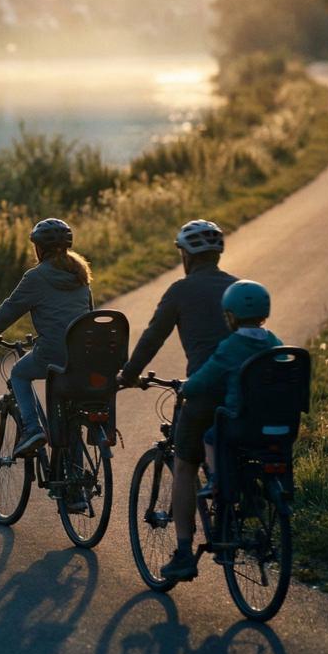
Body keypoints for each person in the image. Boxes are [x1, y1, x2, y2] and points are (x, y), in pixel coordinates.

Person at [116, 219, 236, 581]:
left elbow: (153, 337)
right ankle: (238, 515)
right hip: (242, 391)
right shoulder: (238, 287)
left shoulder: (180, 291)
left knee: (184, 464)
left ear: (186, 255)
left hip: (203, 391)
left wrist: (128, 374)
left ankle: (184, 553)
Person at [0, 218, 94, 458]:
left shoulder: (36, 277)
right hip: (82, 355)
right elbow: (87, 316)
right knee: (71, 415)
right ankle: (77, 487)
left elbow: (9, 310)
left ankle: (33, 428)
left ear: (38, 248)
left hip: (53, 353)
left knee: (19, 373)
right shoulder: (80, 275)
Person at [183, 279, 282, 500]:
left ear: (231, 316)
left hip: (242, 424)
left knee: (211, 437)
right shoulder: (275, 342)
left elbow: (203, 380)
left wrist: (186, 388)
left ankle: (217, 480)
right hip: (277, 421)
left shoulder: (230, 347)